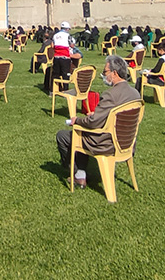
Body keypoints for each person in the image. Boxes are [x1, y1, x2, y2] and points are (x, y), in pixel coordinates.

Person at [56, 55, 140, 188]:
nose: (103, 75)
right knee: (82, 134)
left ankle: (78, 174)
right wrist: (97, 115)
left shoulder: (110, 94)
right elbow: (117, 115)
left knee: (64, 136)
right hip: (127, 142)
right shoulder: (135, 94)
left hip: (107, 143)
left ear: (114, 73)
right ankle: (81, 173)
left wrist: (77, 120)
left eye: (105, 72)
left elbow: (93, 122)